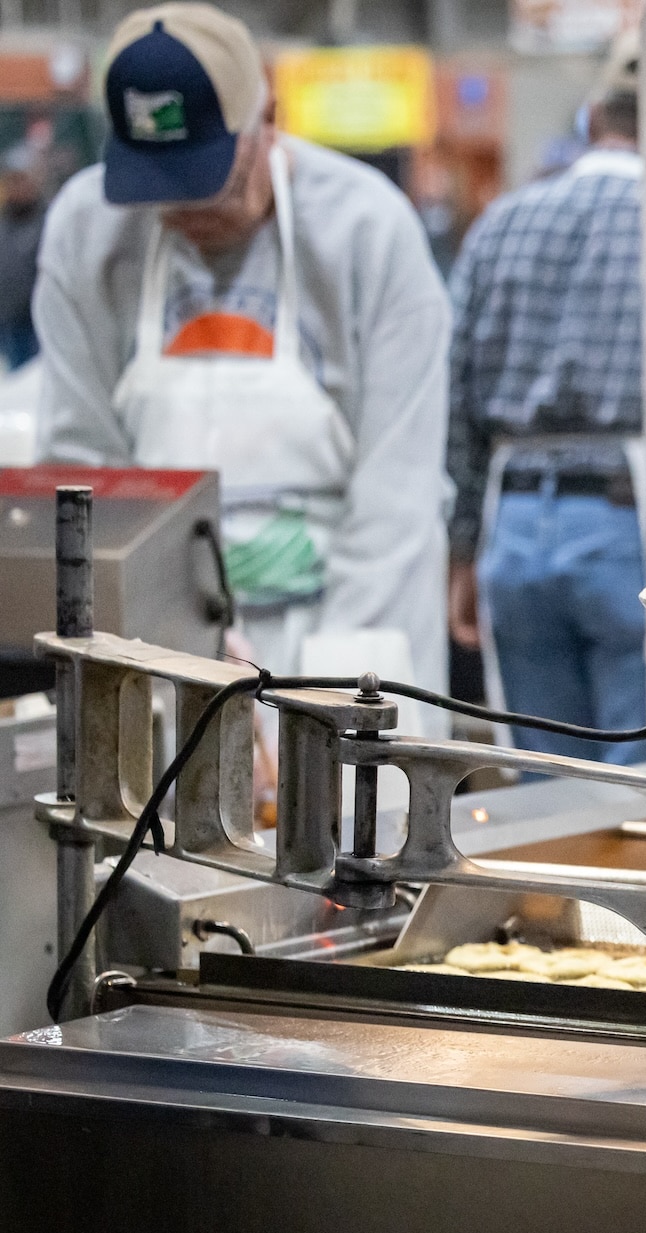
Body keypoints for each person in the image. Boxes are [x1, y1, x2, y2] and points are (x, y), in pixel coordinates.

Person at [33, 3, 450, 716]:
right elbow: (83, 469)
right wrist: (172, 656)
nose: (182, 208)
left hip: (346, 632)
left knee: (340, 818)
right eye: (155, 187)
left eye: (208, 180)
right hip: (158, 640)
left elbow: (395, 504)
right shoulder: (88, 229)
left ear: (269, 118)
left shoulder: (367, 231)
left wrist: (315, 714)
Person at [444, 34, 646, 766]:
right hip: (630, 525)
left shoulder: (500, 225)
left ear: (591, 118)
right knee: (637, 783)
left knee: (546, 783)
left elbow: (456, 398)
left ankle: (548, 889)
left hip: (514, 524)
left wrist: (463, 547)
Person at [0, 143, 45, 370]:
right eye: (13, 180)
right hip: (10, 322)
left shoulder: (48, 220)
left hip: (40, 323)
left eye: (22, 179)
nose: (18, 186)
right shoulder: (5, 224)